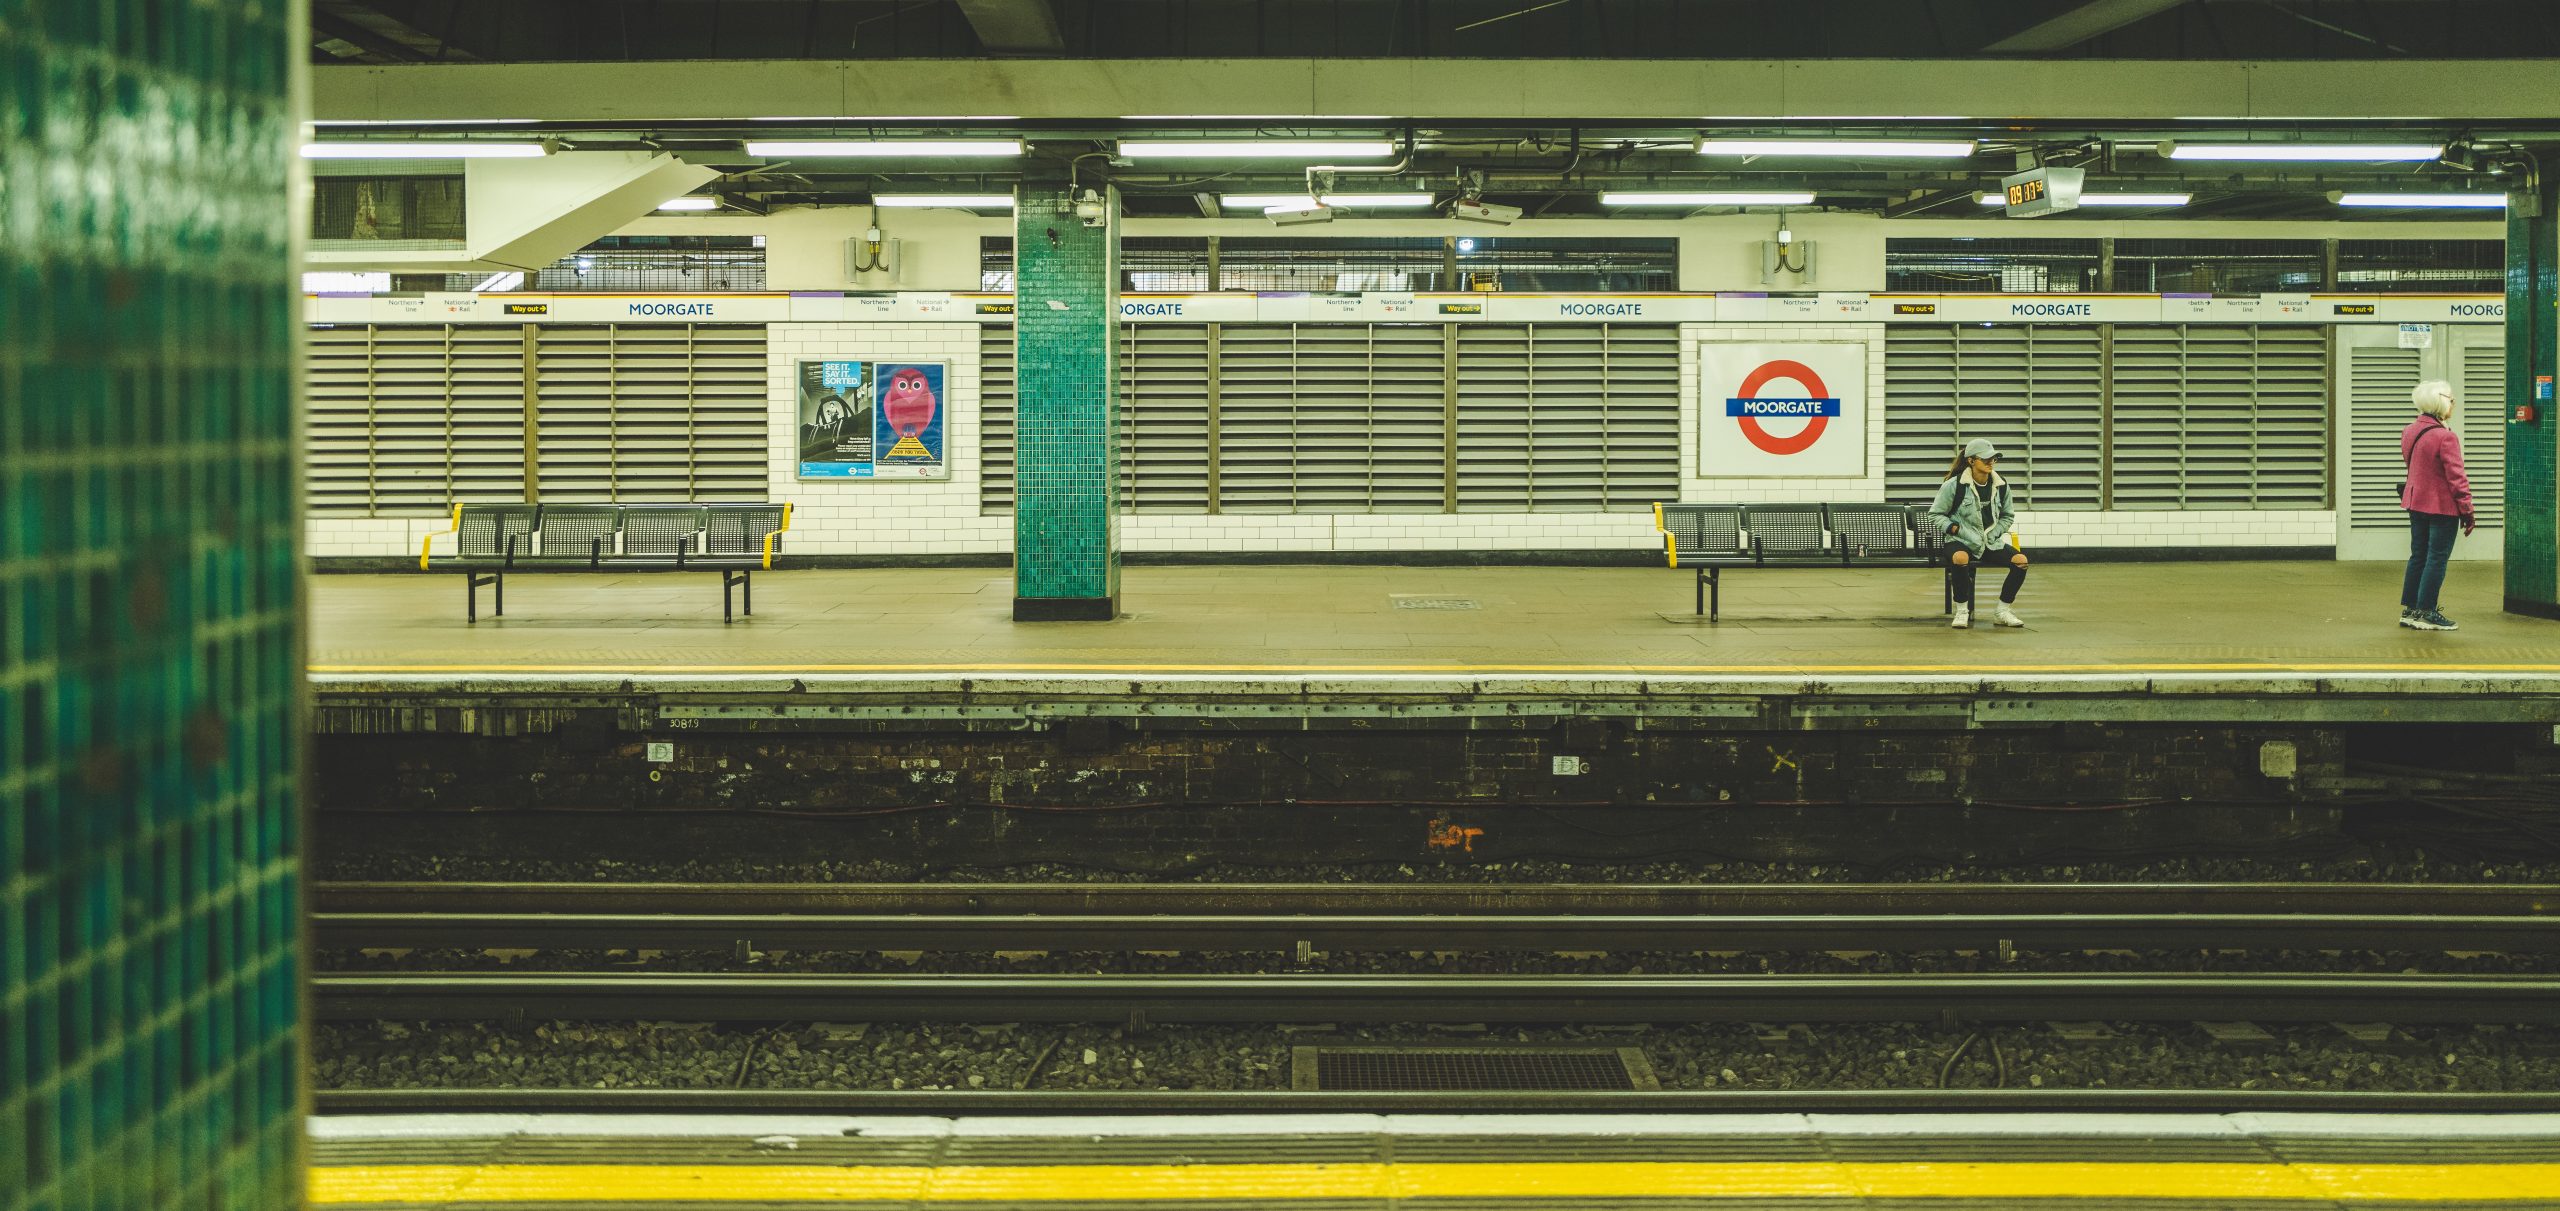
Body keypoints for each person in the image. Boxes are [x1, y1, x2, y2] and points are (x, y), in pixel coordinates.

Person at [1925, 438, 2027, 630]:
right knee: (1960, 558)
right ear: (1971, 461)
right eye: (1986, 459)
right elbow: (1935, 514)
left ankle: (2002, 611)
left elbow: (2007, 515)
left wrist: (1995, 533)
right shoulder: (1954, 485)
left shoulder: (2001, 485)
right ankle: (1962, 611)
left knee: (2020, 560)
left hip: (1989, 542)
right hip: (1960, 540)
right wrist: (1954, 529)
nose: (1991, 463)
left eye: (1994, 459)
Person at [2400, 379, 2475, 632]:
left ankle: (2410, 610)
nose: (2453, 404)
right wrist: (2467, 510)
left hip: (2414, 502)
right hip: (2441, 507)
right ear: (2441, 403)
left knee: (2418, 555)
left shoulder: (2410, 430)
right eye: (2451, 400)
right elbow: (2457, 478)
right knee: (2437, 558)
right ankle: (2427, 611)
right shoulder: (2445, 437)